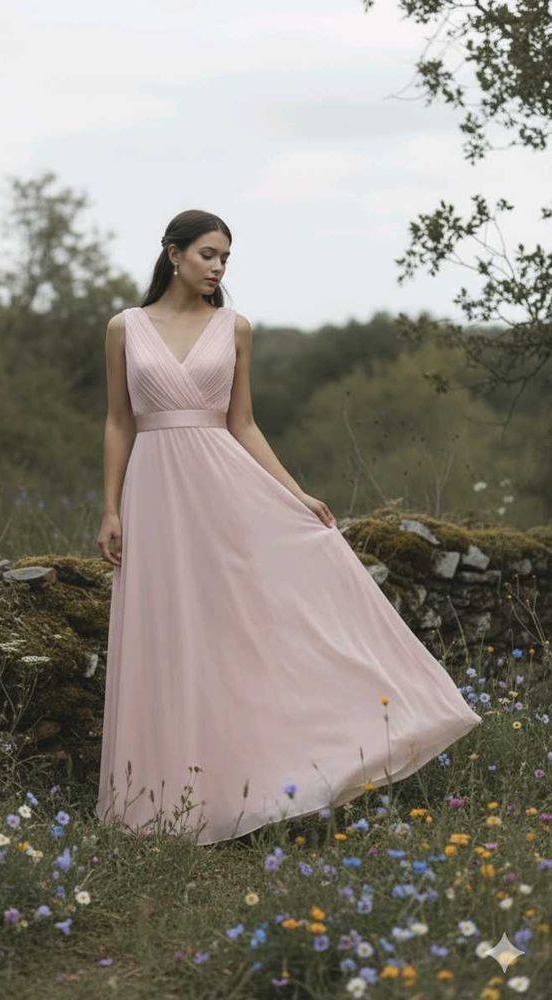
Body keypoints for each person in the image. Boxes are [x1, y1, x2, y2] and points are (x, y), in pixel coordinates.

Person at [94, 208, 482, 846]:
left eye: (225, 258)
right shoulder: (124, 329)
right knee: (167, 631)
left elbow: (242, 424)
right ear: (172, 254)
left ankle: (266, 781)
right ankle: (162, 806)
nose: (218, 268)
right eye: (208, 255)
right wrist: (109, 508)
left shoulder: (235, 328)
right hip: (154, 494)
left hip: (223, 493)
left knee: (244, 631)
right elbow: (118, 422)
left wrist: (295, 493)